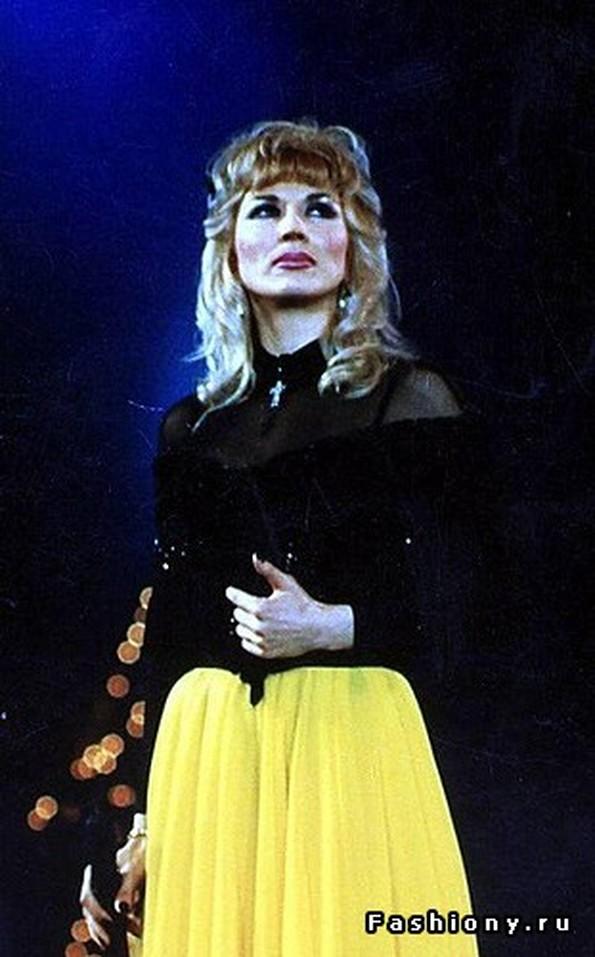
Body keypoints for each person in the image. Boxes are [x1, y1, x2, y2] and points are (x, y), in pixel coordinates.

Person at [81, 119, 480, 956]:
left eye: (318, 208)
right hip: (208, 765)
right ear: (229, 250)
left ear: (353, 247)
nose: (293, 227)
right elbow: (171, 632)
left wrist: (335, 625)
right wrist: (146, 824)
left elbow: (481, 608)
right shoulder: (190, 428)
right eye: (265, 209)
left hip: (347, 754)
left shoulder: (409, 400)